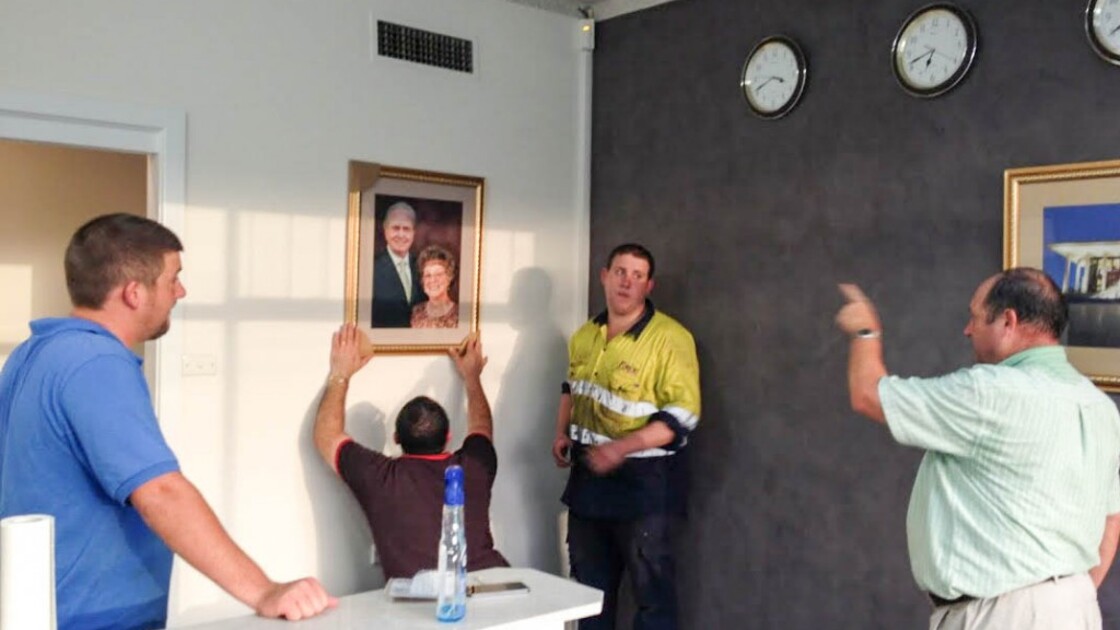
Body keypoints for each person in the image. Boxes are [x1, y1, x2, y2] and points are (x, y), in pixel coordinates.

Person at [0, 213, 335, 630]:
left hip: (42, 608)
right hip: (94, 617)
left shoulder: (34, 352)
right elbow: (160, 491)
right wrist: (265, 591)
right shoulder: (96, 363)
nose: (180, 291)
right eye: (172, 278)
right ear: (134, 293)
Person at [835, 267, 1120, 630]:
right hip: (1076, 608)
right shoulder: (1097, 406)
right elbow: (1111, 519)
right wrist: (1058, 597)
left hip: (1003, 615)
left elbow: (868, 395)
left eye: (974, 317)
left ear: (1007, 321)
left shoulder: (990, 393)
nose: (967, 330)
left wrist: (865, 331)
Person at [552, 243, 701, 630]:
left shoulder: (670, 338)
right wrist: (560, 433)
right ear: (604, 276)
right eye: (620, 272)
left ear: (649, 285)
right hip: (588, 485)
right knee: (589, 599)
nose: (627, 282)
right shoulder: (585, 335)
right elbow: (571, 387)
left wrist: (623, 447)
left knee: (653, 603)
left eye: (637, 276)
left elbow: (683, 416)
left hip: (645, 490)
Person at [313, 325, 508, 579]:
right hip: (495, 587)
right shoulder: (474, 466)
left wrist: (340, 374)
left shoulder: (379, 477)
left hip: (424, 605)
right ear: (448, 438)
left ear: (397, 439)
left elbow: (326, 435)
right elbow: (481, 426)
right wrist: (472, 378)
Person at [372, 201, 424, 328]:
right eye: (396, 228)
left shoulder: (422, 266)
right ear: (385, 230)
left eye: (406, 229)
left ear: (414, 233)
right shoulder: (371, 268)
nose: (401, 235)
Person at [411, 244, 459, 329]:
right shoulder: (416, 313)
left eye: (438, 274)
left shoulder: (460, 315)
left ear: (449, 277)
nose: (432, 280)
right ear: (422, 281)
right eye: (428, 275)